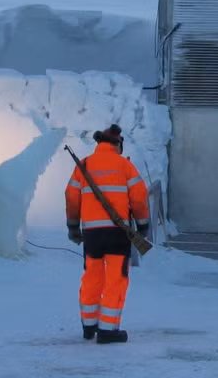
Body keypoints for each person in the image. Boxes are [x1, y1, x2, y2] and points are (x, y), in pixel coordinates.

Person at [65, 124, 150, 343]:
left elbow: (72, 196)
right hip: (117, 234)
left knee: (92, 276)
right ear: (118, 144)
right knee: (116, 279)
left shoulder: (84, 165)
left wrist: (73, 226)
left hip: (91, 234)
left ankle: (89, 325)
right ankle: (108, 330)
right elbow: (139, 196)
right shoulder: (124, 166)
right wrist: (142, 225)